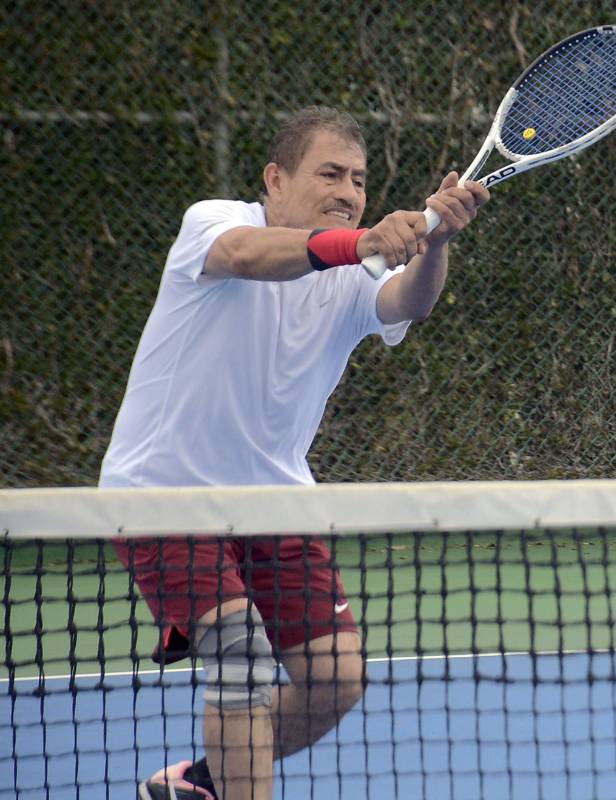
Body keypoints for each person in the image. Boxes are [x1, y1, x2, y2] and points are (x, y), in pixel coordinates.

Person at [100, 106, 490, 800]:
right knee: (240, 656)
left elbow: (410, 304)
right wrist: (364, 239)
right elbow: (249, 259)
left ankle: (205, 781)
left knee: (337, 681)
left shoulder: (355, 274)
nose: (347, 189)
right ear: (275, 180)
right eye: (330, 173)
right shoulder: (216, 223)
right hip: (160, 493)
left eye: (360, 180)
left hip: (275, 502)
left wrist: (434, 242)